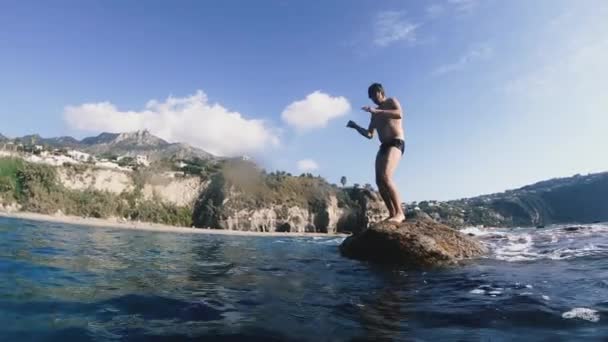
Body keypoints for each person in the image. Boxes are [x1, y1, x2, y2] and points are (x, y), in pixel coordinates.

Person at [347, 83, 405, 223]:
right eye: (371, 98)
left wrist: (377, 111)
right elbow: (369, 134)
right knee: (379, 181)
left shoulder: (391, 101)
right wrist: (355, 126)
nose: (373, 99)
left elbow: (399, 114)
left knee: (386, 177)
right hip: (383, 146)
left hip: (396, 142)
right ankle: (391, 213)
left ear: (380, 92)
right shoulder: (374, 114)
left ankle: (400, 213)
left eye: (374, 96)